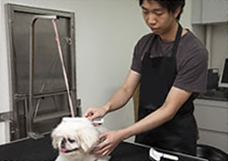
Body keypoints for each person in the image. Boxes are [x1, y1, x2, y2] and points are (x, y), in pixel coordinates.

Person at [84, 0, 208, 156]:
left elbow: (168, 109)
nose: (150, 20)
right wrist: (105, 108)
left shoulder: (193, 52)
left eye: (158, 13)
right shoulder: (145, 44)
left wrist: (122, 134)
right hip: (145, 135)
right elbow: (127, 89)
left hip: (176, 140)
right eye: (145, 11)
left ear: (176, 11)